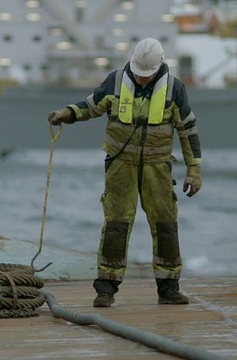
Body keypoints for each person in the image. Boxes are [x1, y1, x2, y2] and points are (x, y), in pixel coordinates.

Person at [47, 38, 202, 306]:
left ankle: (168, 287)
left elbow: (187, 129)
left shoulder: (174, 89)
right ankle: (105, 288)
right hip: (121, 166)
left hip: (158, 168)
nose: (142, 80)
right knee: (116, 223)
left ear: (159, 67)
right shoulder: (116, 80)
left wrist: (194, 169)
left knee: (165, 224)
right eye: (139, 74)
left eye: (147, 75)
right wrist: (66, 114)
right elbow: (91, 105)